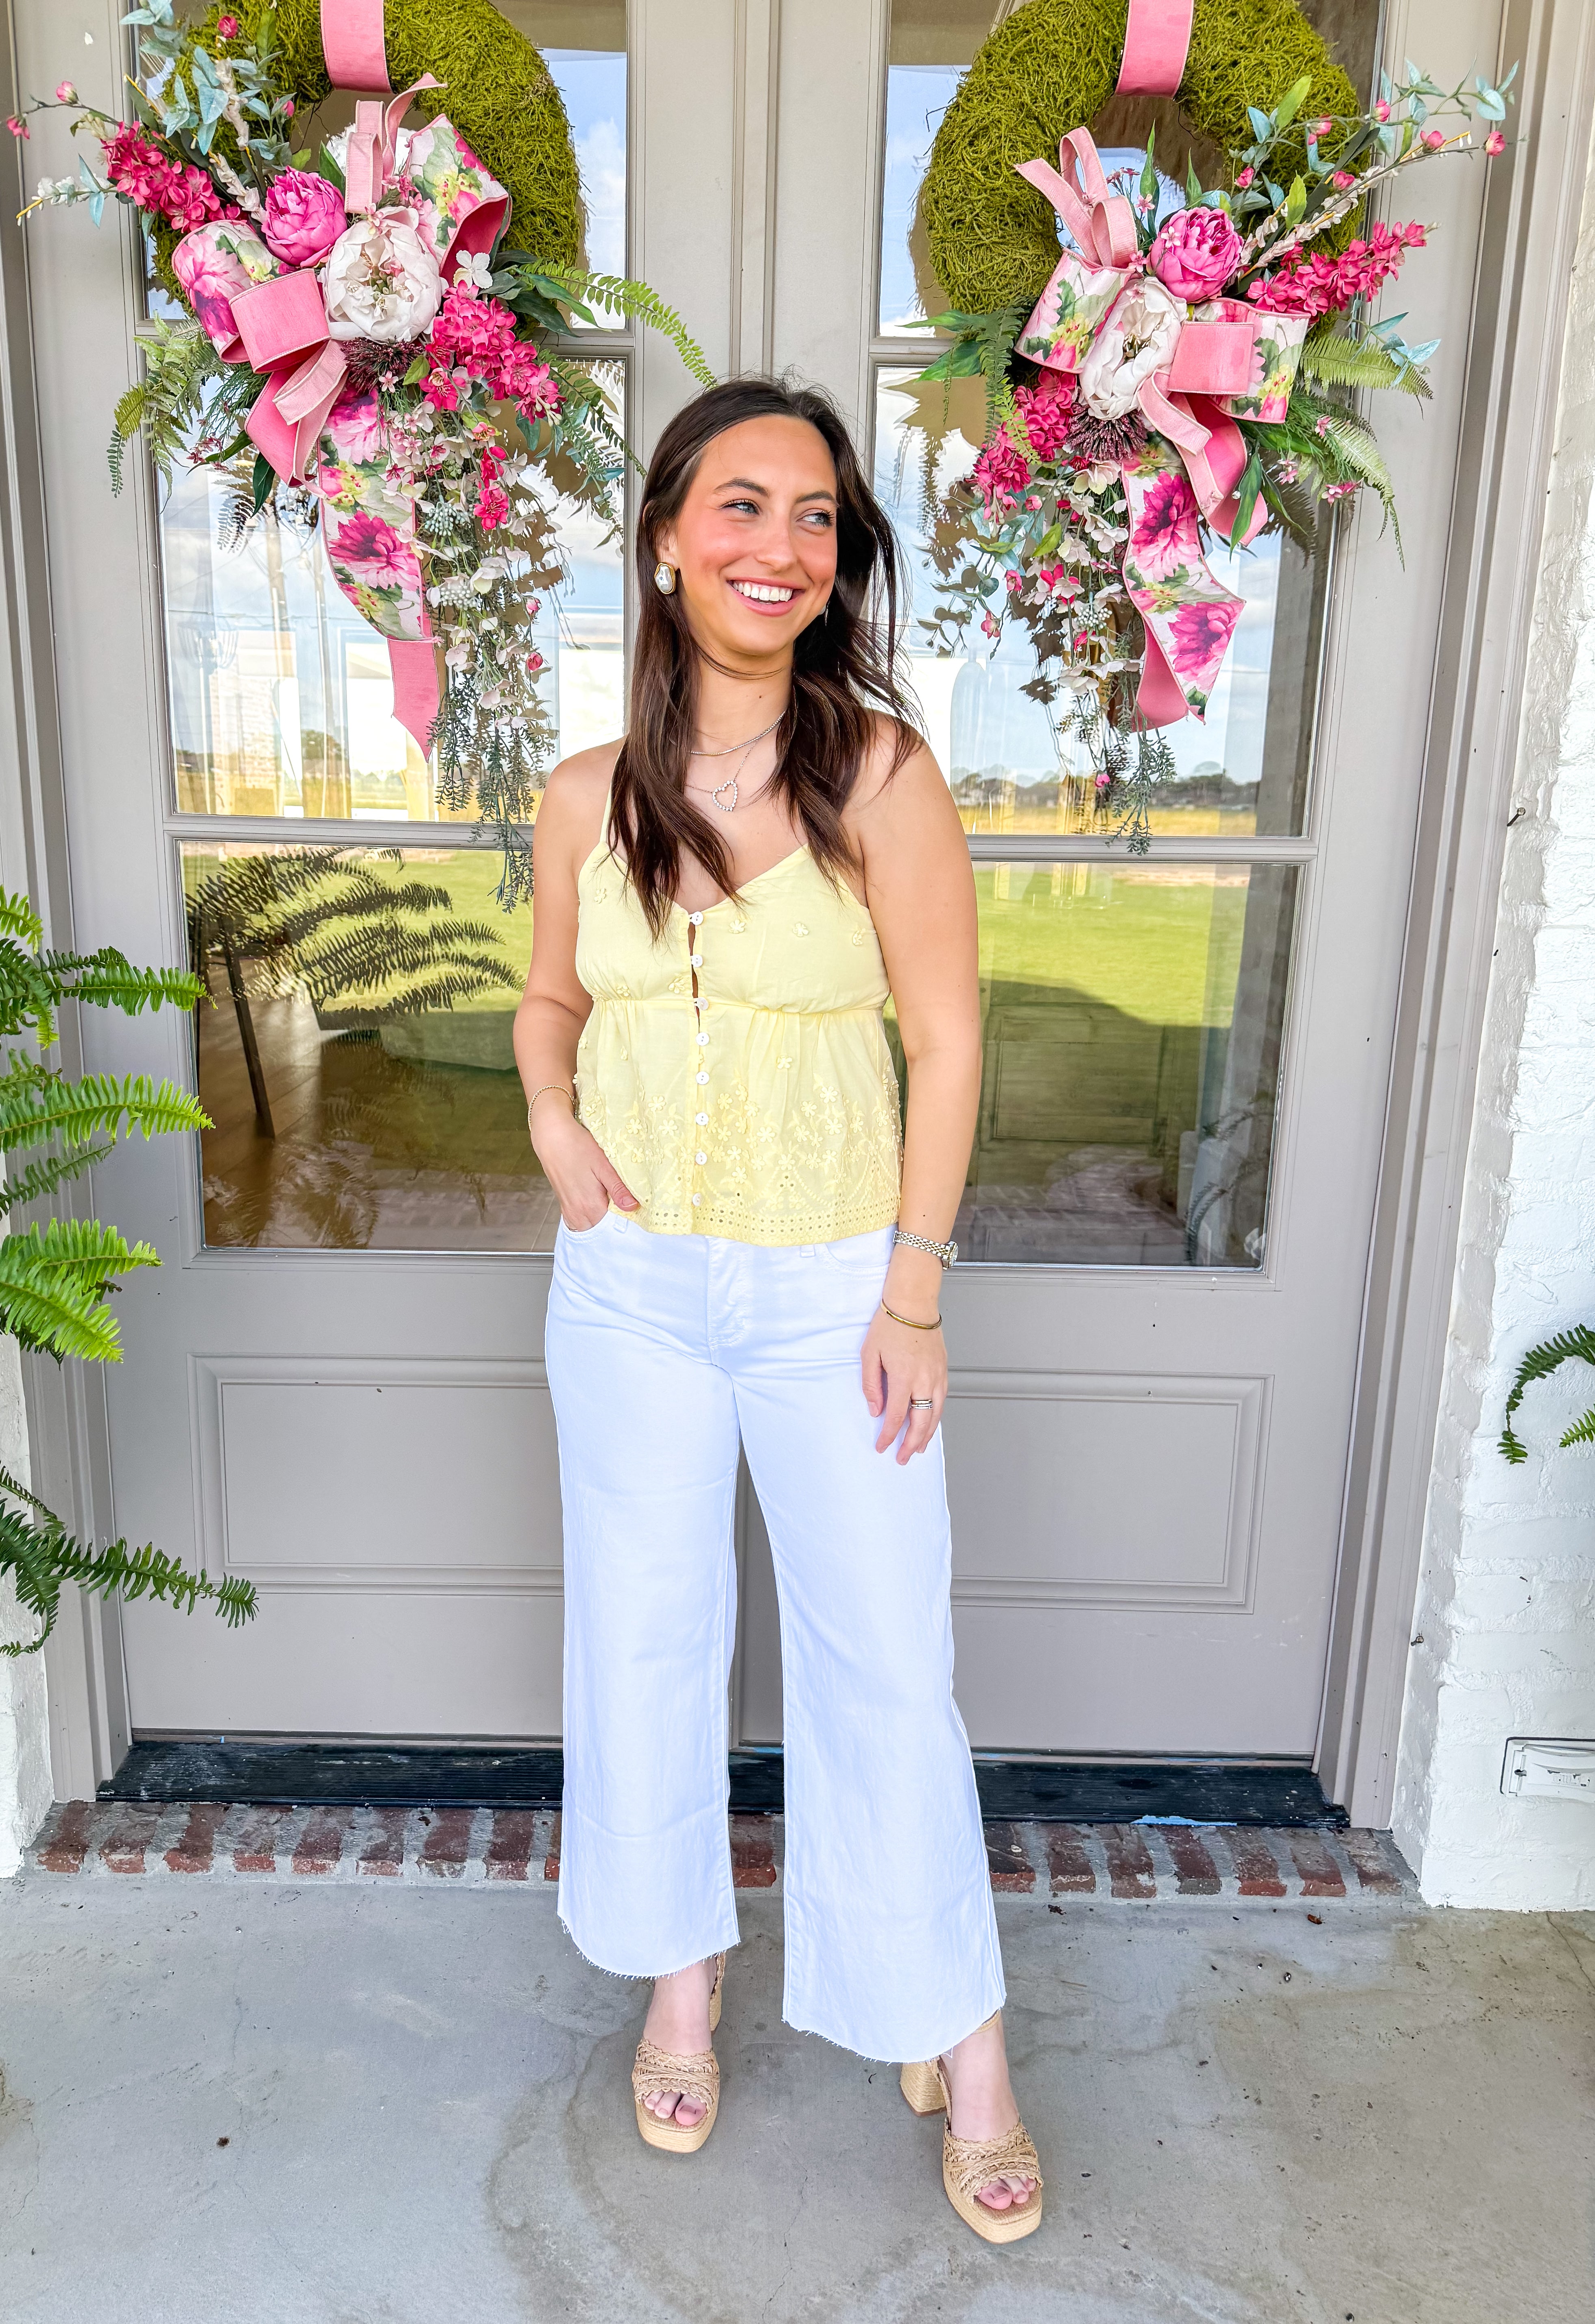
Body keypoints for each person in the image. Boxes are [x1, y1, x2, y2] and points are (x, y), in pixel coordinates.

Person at [513, 375, 1042, 2242]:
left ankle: (956, 2037)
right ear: (667, 542)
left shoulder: (884, 776)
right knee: (647, 1640)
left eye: (818, 517)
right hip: (634, 1293)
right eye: (742, 508)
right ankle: (681, 1980)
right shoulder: (586, 794)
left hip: (840, 1288)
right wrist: (551, 1111)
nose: (781, 548)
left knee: (887, 1658)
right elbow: (552, 999)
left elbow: (952, 1037)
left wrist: (914, 1286)